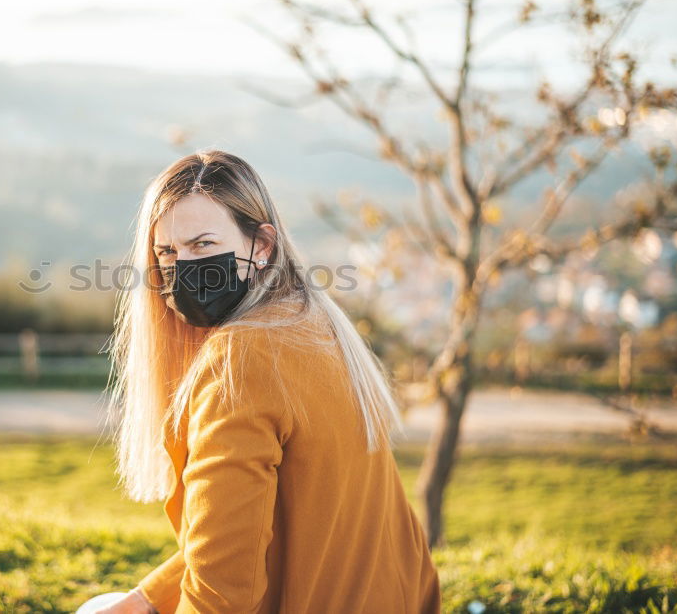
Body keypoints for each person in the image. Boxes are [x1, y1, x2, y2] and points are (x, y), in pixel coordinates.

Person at [79, 150, 441, 613]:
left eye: (204, 244)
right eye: (167, 252)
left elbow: (221, 596)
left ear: (262, 246)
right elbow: (246, 532)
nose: (183, 267)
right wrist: (147, 598)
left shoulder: (240, 359)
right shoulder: (311, 323)